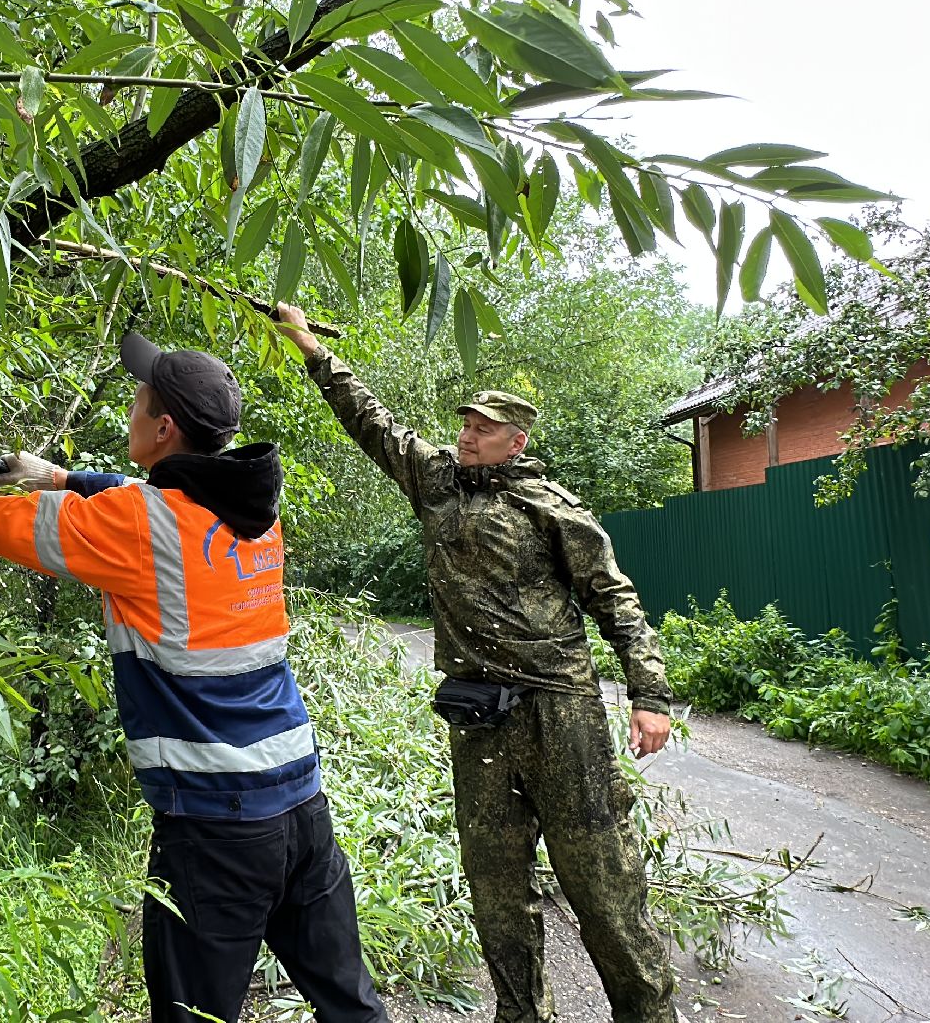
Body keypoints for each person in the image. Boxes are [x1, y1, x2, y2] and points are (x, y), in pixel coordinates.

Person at [0, 332, 389, 1023]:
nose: (132, 407)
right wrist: (58, 476)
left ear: (162, 427)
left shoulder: (139, 525)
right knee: (350, 1002)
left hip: (215, 825)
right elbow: (160, 502)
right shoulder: (253, 514)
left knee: (193, 1016)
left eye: (139, 398)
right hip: (301, 804)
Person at [274, 304, 678, 1023]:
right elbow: (371, 419)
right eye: (463, 425)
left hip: (562, 714)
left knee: (601, 882)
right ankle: (520, 1014)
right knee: (495, 882)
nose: (465, 435)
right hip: (478, 718)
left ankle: (647, 1012)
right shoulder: (437, 483)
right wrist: (308, 345)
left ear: (515, 440)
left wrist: (649, 692)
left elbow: (616, 599)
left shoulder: (551, 508)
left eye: (481, 429)